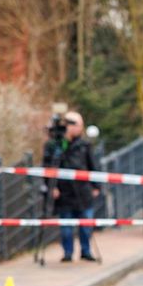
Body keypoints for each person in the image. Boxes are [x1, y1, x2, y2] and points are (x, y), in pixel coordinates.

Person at [52, 111, 100, 262]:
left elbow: (93, 166)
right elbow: (50, 166)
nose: (80, 128)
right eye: (77, 125)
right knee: (66, 226)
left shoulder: (85, 145)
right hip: (65, 193)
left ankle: (86, 251)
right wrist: (53, 186)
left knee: (86, 225)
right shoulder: (58, 145)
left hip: (83, 191)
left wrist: (96, 185)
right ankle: (67, 253)